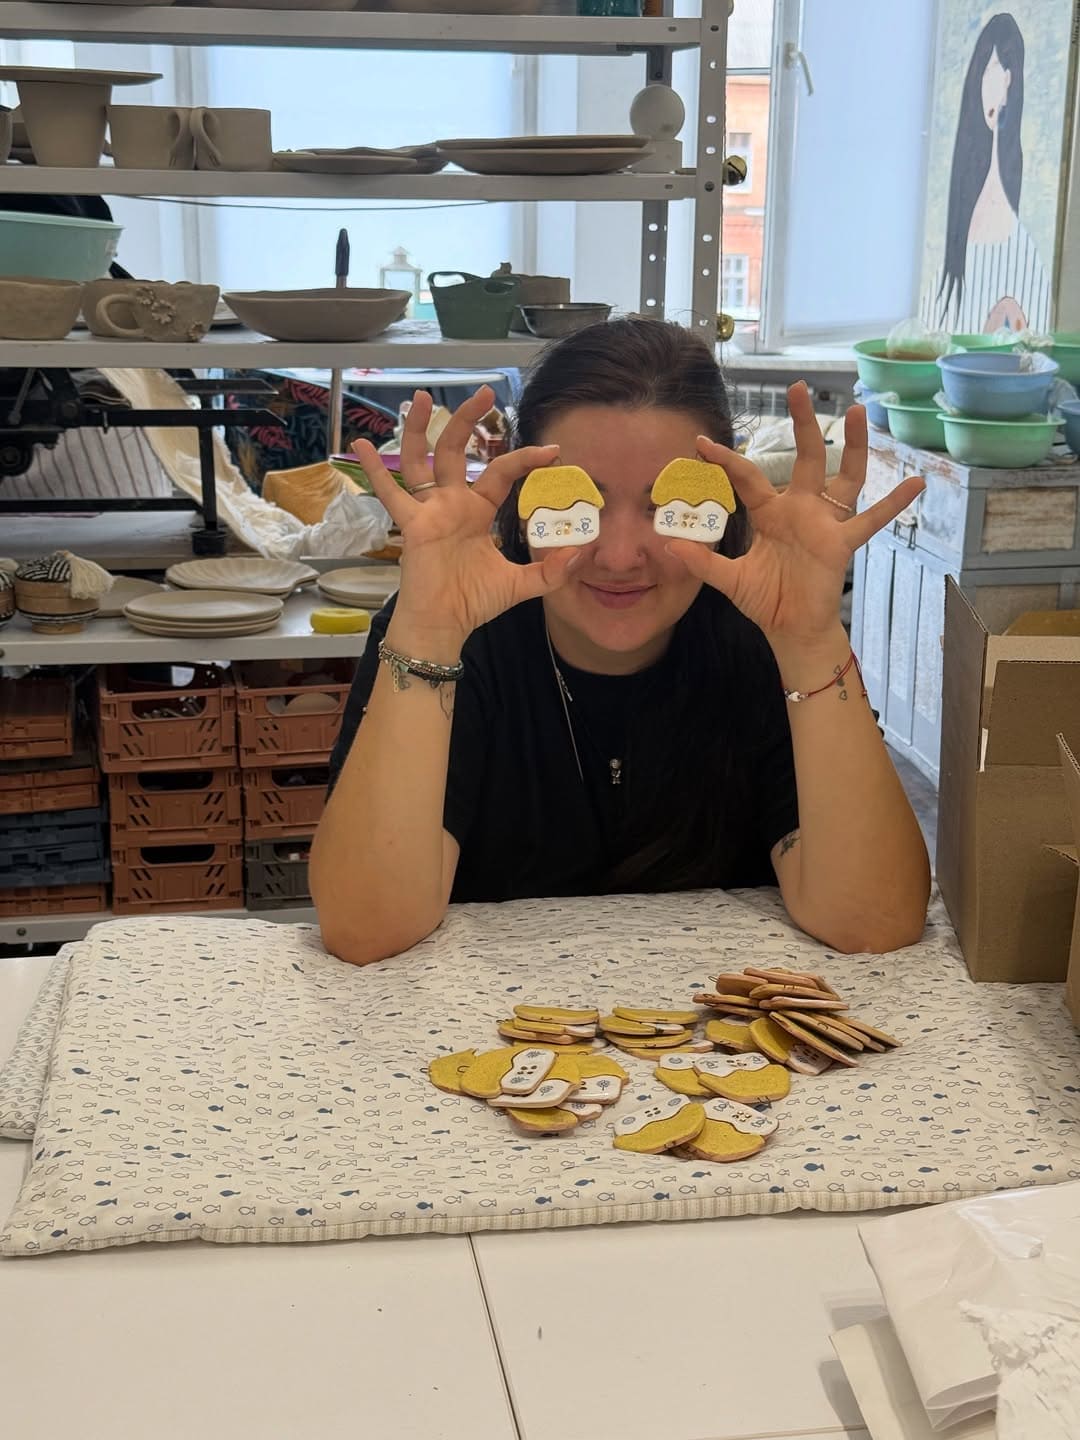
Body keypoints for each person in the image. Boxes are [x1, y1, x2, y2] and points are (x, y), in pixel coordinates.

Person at [311, 319, 931, 967]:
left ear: (723, 508)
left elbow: (872, 922)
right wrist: (429, 630)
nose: (619, 555)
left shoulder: (762, 639)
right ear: (520, 502)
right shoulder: (450, 632)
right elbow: (366, 929)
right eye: (578, 505)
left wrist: (810, 641)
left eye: (669, 507)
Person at [926, 10, 1051, 334]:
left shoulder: (1027, 252)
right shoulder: (948, 251)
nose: (1000, 80)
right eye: (991, 68)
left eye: (1007, 70)